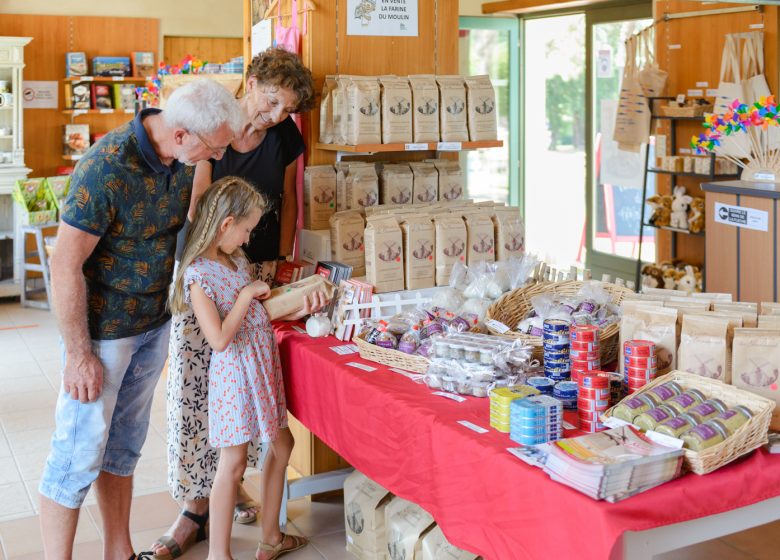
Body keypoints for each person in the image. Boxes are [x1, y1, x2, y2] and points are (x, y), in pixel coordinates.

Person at [40, 79, 244, 560]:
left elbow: (193, 229)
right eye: (211, 148)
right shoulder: (106, 166)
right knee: (75, 455)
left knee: (123, 447)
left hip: (153, 323)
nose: (210, 158)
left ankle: (119, 551)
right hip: (102, 334)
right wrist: (78, 355)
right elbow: (64, 263)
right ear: (180, 135)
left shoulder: (184, 159)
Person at [153, 47, 316, 558]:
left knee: (248, 383)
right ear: (251, 82)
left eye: (283, 110)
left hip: (255, 264)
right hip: (207, 263)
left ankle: (238, 495)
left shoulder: (284, 136)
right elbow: (198, 201)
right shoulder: (215, 124)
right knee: (198, 386)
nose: (271, 116)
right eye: (269, 102)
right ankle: (194, 510)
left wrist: (283, 263)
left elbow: (288, 199)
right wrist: (202, 265)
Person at [169, 177, 321, 560]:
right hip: (235, 372)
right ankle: (219, 553)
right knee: (233, 462)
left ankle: (271, 536)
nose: (249, 239)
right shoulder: (198, 274)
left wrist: (295, 303)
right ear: (225, 224)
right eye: (247, 229)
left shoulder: (236, 261)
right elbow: (218, 338)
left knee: (282, 442)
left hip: (260, 362)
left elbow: (255, 313)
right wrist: (246, 295)